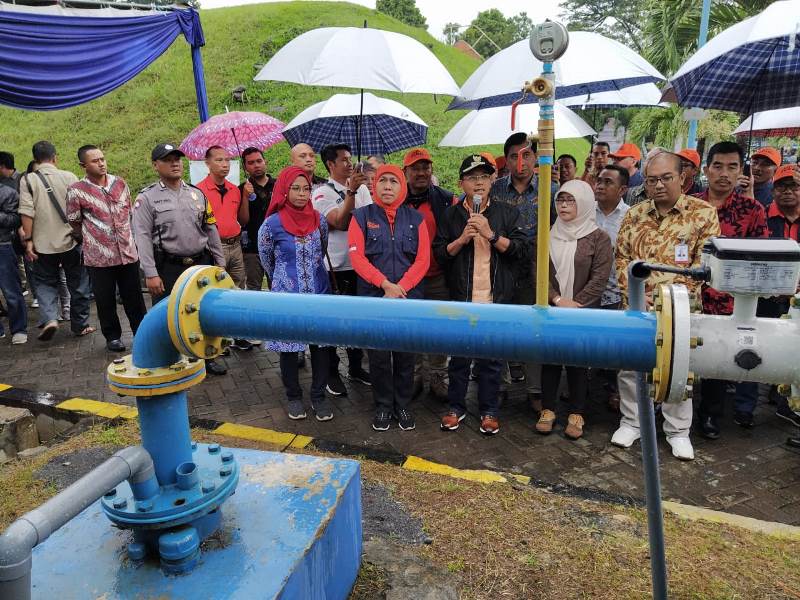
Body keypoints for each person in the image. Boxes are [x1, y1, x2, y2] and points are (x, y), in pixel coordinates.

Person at [612, 151, 720, 460]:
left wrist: (668, 298)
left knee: (678, 369)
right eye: (651, 179)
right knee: (631, 364)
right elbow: (622, 257)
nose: (658, 185)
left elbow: (705, 264)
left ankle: (677, 431)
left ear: (682, 177)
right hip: (637, 305)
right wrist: (633, 291)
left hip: (681, 309)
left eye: (665, 178)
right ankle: (631, 421)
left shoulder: (702, 214)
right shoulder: (634, 214)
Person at [433, 154, 529, 435]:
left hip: (495, 300)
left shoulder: (507, 213)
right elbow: (440, 255)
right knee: (459, 359)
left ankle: (489, 410)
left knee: (492, 361)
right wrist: (461, 239)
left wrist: (491, 235)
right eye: (473, 177)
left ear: (492, 181)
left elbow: (521, 252)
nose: (479, 183)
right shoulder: (450, 215)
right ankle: (455, 407)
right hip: (462, 300)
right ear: (461, 182)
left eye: (485, 177)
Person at [131, 143, 228, 376]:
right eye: (168, 159)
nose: (175, 163)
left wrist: (220, 263)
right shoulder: (147, 198)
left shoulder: (197, 194)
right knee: (168, 314)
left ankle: (205, 357)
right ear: (156, 165)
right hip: (168, 267)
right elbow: (142, 237)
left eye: (178, 159)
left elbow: (211, 229)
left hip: (199, 263)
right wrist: (151, 273)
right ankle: (169, 358)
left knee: (203, 313)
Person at [693, 141, 766, 438]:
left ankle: (710, 414)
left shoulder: (752, 210)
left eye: (732, 167)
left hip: (729, 301)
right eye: (718, 166)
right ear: (707, 169)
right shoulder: (690, 204)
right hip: (690, 294)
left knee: (717, 359)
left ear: (741, 171)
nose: (724, 174)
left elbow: (760, 258)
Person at [348, 164, 430, 431]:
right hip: (375, 298)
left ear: (402, 186)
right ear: (374, 185)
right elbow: (357, 257)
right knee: (379, 357)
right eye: (382, 180)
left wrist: (401, 287)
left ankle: (403, 405)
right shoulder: (360, 216)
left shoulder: (416, 219)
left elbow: (423, 259)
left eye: (393, 181)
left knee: (406, 354)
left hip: (408, 297)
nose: (387, 186)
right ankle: (383, 406)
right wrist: (384, 284)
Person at [536, 180, 612, 439]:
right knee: (551, 359)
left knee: (579, 362)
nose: (564, 205)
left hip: (583, 310)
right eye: (560, 200)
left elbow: (600, 279)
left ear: (584, 203)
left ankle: (577, 413)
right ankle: (548, 409)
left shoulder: (599, 238)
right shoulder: (548, 233)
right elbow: (539, 273)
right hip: (553, 308)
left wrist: (575, 304)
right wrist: (557, 300)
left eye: (570, 200)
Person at [259, 166, 333, 421]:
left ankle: (319, 396)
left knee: (321, 347)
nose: (302, 194)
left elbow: (321, 251)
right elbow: (267, 260)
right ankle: (293, 396)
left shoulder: (318, 219)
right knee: (290, 349)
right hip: (287, 297)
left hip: (319, 293)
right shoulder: (272, 224)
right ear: (284, 190)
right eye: (296, 188)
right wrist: (284, 281)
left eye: (306, 189)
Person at [66, 145, 146, 352]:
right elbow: (74, 221)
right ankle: (112, 337)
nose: (101, 163)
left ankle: (143, 333)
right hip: (99, 257)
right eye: (95, 160)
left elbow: (128, 212)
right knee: (105, 299)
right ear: (83, 165)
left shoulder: (120, 184)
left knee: (134, 297)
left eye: (102, 159)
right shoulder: (76, 190)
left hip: (128, 253)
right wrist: (96, 237)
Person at [489, 132, 549, 405]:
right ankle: (498, 385)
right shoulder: (496, 189)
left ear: (536, 158)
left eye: (526, 155)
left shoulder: (550, 187)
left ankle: (535, 390)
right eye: (514, 156)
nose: (520, 162)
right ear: (507, 160)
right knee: (499, 327)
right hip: (500, 265)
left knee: (533, 328)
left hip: (535, 269)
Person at [18, 140, 94, 341]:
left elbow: (27, 212)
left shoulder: (28, 180)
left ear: (35, 159)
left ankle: (51, 318)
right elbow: (80, 207)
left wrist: (29, 240)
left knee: (44, 282)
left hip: (43, 244)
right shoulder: (69, 176)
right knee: (78, 283)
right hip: (70, 240)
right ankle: (80, 325)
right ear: (55, 157)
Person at [311, 143, 372, 396]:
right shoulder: (321, 193)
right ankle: (331, 373)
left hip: (360, 266)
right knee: (333, 324)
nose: (350, 164)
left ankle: (356, 368)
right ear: (330, 165)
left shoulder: (365, 189)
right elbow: (339, 221)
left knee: (358, 321)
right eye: (344, 160)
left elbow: (370, 219)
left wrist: (358, 191)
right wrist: (351, 192)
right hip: (334, 268)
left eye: (350, 158)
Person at [402, 147, 454, 400]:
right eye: (415, 168)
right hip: (408, 278)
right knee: (410, 327)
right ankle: (413, 375)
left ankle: (437, 375)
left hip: (438, 275)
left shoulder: (446, 199)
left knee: (439, 327)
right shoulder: (396, 200)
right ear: (406, 172)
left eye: (425, 167)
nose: (421, 173)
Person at [196, 146, 252, 351]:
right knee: (212, 293)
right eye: (219, 160)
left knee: (237, 289)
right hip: (213, 248)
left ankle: (237, 335)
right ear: (207, 163)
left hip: (235, 245)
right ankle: (216, 339)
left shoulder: (235, 189)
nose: (225, 164)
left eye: (227, 160)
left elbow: (243, 220)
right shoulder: (199, 191)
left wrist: (245, 197)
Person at [759, 164, 800, 438]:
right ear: (773, 190)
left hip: (798, 298)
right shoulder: (762, 217)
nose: (787, 192)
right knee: (763, 346)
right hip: (769, 296)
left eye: (794, 186)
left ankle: (787, 403)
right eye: (781, 186)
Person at [593, 164, 630, 411]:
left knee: (617, 345)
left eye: (608, 182)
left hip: (617, 292)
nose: (601, 186)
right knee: (591, 342)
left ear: (623, 189)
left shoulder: (632, 217)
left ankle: (617, 391)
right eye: (599, 181)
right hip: (588, 291)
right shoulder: (585, 213)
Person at [239, 147, 274, 291]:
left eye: (259, 161)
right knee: (253, 288)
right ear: (245, 167)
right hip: (252, 248)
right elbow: (242, 221)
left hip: (276, 245)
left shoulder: (278, 185)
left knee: (278, 286)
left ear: (265, 161)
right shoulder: (241, 189)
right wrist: (245, 197)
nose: (256, 165)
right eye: (251, 163)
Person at [0, 180, 27, 344]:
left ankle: (19, 329)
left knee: (11, 291)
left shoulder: (7, 193)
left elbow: (16, 219)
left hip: (3, 246)